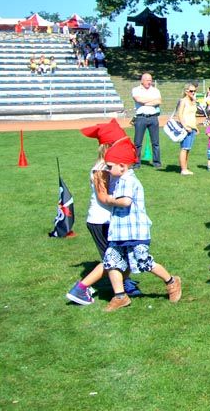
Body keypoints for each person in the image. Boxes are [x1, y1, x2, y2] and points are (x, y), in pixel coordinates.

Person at [99, 137, 182, 311]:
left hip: (135, 232)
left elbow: (126, 202)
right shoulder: (120, 180)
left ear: (122, 166)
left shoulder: (129, 180)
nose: (107, 169)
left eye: (110, 166)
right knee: (111, 261)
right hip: (119, 231)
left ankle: (172, 282)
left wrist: (109, 199)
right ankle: (120, 296)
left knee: (143, 261)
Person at [65, 121, 142, 305]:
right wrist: (124, 201)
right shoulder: (101, 168)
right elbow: (103, 197)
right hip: (101, 221)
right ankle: (81, 289)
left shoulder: (115, 164)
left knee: (121, 255)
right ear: (109, 146)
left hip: (113, 219)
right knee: (112, 259)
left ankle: (124, 285)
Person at [132, 72, 163, 169]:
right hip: (141, 117)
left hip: (153, 118)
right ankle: (136, 163)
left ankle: (157, 162)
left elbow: (159, 101)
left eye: (151, 80)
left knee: (155, 142)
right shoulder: (136, 90)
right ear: (142, 80)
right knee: (137, 142)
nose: (150, 82)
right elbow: (138, 99)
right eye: (147, 80)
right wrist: (151, 101)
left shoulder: (155, 90)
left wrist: (145, 102)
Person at [176, 83, 199, 176]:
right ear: (186, 91)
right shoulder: (183, 101)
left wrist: (196, 127)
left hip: (192, 127)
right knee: (184, 148)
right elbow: (180, 114)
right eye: (191, 91)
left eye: (194, 91)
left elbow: (193, 115)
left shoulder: (192, 101)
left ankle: (185, 167)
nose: (193, 92)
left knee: (188, 148)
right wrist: (185, 126)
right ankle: (183, 169)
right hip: (186, 128)